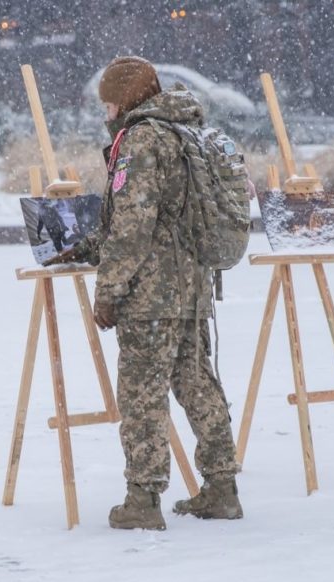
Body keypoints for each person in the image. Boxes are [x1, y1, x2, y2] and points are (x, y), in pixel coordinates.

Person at [54, 56, 243, 530]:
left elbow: (134, 228)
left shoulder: (141, 140)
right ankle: (222, 487)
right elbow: (155, 219)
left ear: (127, 98)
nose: (107, 110)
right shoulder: (184, 131)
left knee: (142, 395)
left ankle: (143, 498)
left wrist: (109, 290)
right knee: (198, 383)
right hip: (191, 288)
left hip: (150, 295)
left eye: (110, 101)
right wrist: (87, 246)